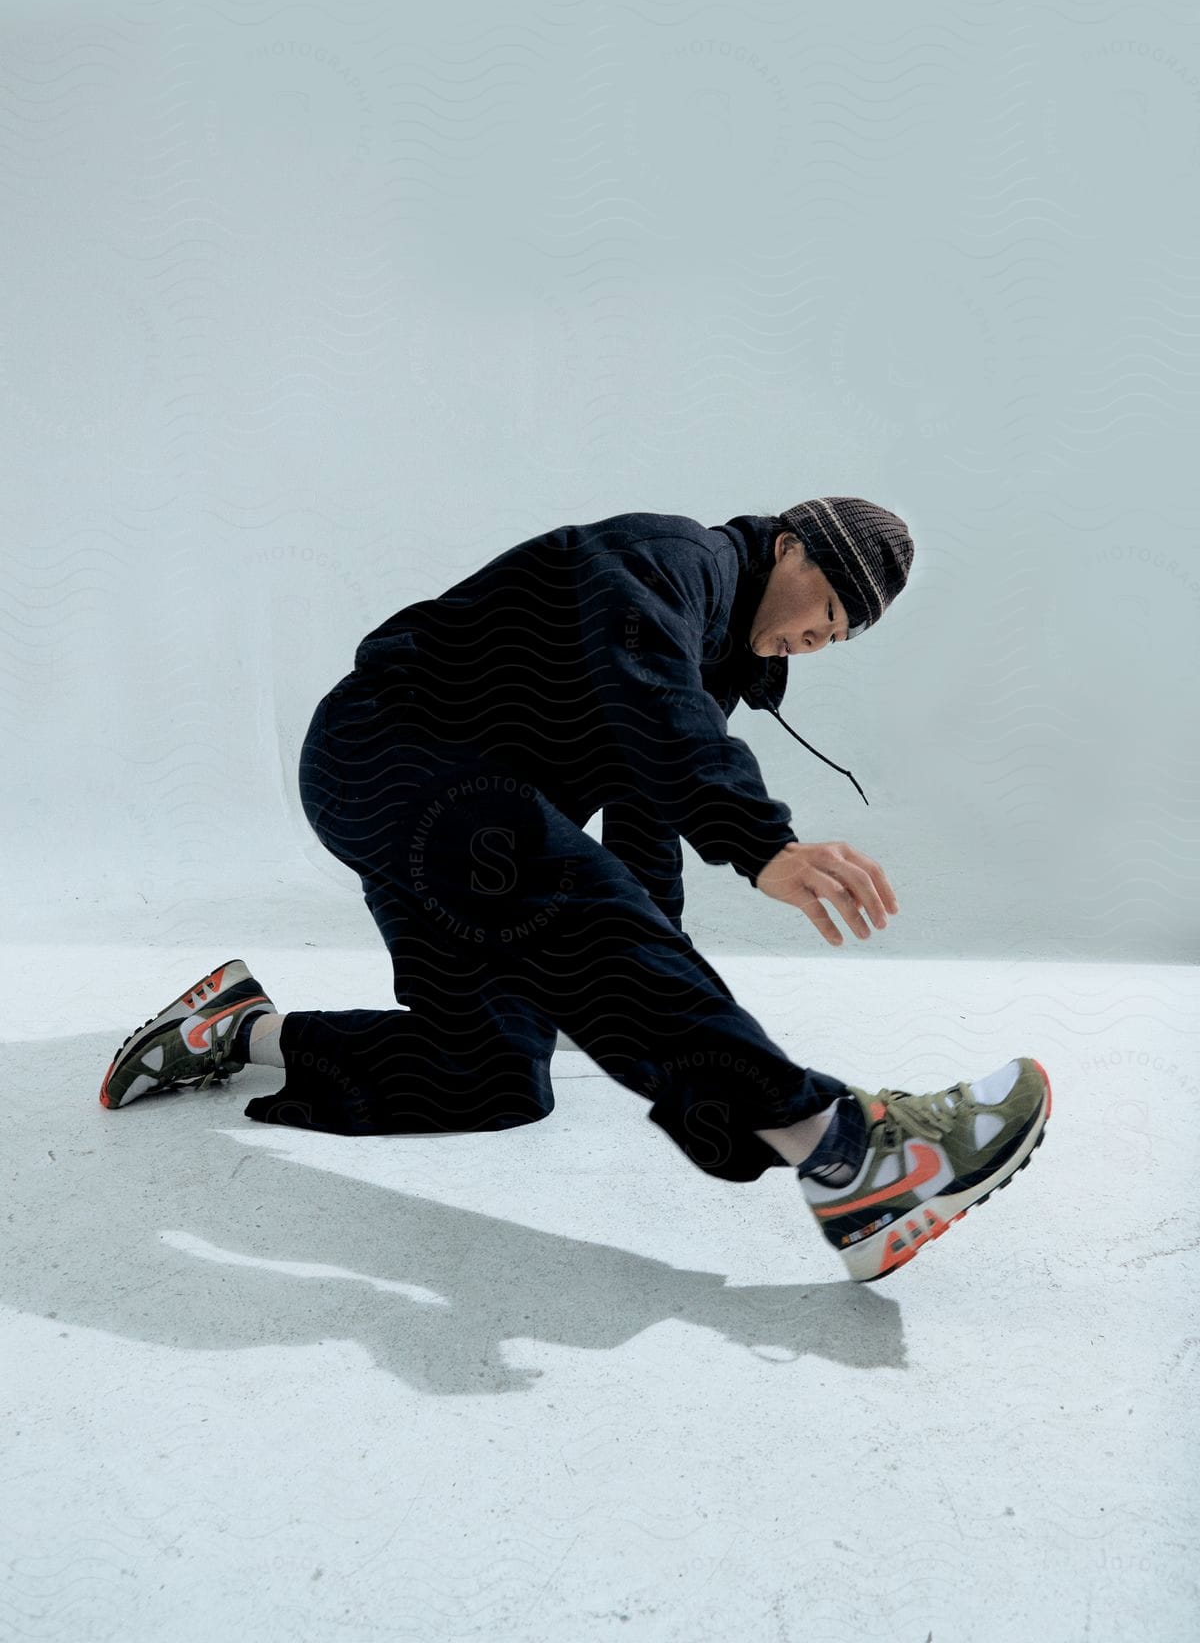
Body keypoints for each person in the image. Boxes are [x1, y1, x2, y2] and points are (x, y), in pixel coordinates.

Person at [99, 497, 1051, 1284]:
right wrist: (764, 845)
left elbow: (646, 830)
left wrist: (665, 985)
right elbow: (654, 707)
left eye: (836, 639)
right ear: (791, 544)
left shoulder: (710, 664)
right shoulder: (664, 559)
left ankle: (233, 1031)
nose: (814, 638)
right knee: (570, 903)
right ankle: (848, 1155)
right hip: (385, 756)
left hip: (473, 823)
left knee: (491, 1075)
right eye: (828, 607)